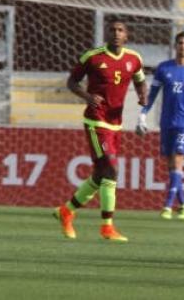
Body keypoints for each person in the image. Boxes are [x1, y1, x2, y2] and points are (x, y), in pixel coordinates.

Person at [54, 19, 147, 242]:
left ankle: (66, 211)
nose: (116, 33)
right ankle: (107, 226)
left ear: (127, 35)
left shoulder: (134, 59)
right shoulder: (93, 57)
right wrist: (87, 96)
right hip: (96, 121)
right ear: (107, 33)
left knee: (100, 175)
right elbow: (71, 82)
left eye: (120, 30)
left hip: (116, 123)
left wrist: (143, 94)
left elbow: (140, 80)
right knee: (112, 170)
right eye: (113, 30)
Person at [136, 31, 184, 220]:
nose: (182, 46)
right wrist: (142, 115)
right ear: (175, 46)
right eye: (180, 43)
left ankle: (167, 206)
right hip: (167, 122)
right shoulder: (163, 69)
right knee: (171, 165)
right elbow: (151, 96)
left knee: (177, 158)